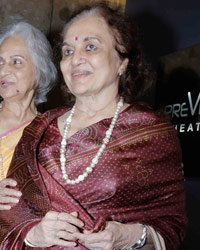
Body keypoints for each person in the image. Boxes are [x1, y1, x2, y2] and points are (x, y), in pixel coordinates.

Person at [0, 3, 187, 250]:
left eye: (90, 47)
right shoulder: (39, 130)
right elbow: (9, 211)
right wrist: (32, 233)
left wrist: (131, 236)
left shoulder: (150, 132)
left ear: (122, 62)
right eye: (67, 51)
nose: (76, 59)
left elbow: (172, 224)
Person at [0, 21, 57, 210]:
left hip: (23, 235)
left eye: (16, 62)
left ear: (39, 72)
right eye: (0, 62)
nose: (3, 70)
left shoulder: (49, 133)